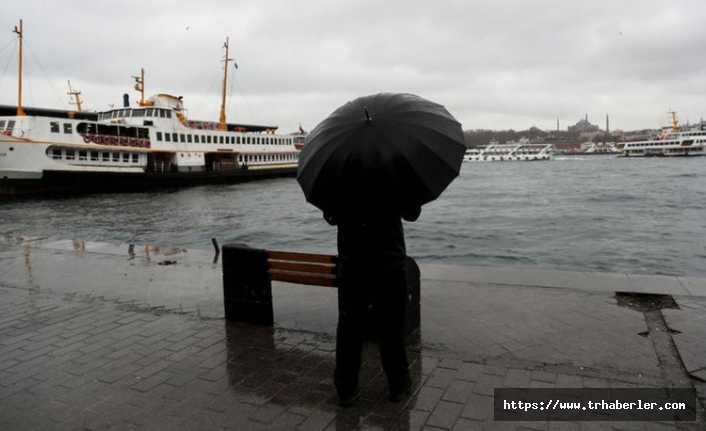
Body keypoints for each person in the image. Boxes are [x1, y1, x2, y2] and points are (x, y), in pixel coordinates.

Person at [325, 202, 420, 406]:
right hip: (389, 263)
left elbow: (330, 216)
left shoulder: (341, 176)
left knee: (349, 329)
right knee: (392, 328)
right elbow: (412, 212)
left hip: (353, 264)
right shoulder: (394, 174)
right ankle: (398, 386)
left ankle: (346, 389)